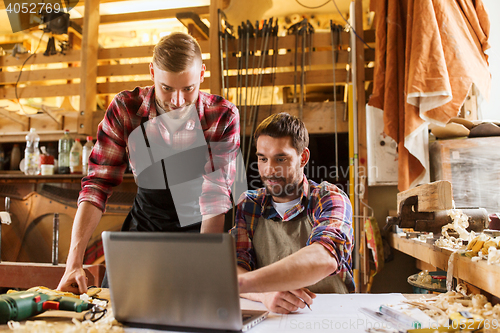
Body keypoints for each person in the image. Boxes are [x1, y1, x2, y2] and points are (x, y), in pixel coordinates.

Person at [58, 32, 241, 294]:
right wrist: (73, 263)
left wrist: (204, 266)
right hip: (143, 231)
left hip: (199, 232)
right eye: (166, 88)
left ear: (202, 74)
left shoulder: (221, 116)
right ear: (152, 72)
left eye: (188, 89)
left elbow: (215, 197)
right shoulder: (125, 109)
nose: (177, 102)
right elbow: (97, 186)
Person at [230, 113, 354, 314]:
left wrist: (241, 284)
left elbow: (324, 257)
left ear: (303, 157)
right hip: (272, 317)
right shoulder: (249, 204)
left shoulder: (328, 198)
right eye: (262, 159)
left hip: (329, 315)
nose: (269, 170)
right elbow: (236, 265)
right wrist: (264, 294)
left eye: (281, 158)